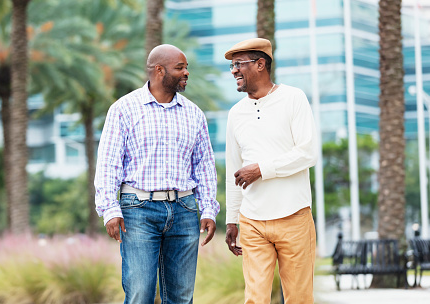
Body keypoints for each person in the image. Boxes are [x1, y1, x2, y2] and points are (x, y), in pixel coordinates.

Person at [94, 44, 219, 304]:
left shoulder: (194, 114)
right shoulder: (124, 109)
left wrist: (208, 209)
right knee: (140, 294)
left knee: (182, 297)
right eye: (180, 68)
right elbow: (108, 163)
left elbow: (205, 165)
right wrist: (110, 209)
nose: (186, 73)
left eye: (186, 68)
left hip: (184, 210)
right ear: (159, 70)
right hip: (138, 211)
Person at [223, 38, 318, 304]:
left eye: (239, 64)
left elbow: (307, 152)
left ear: (260, 64)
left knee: (299, 299)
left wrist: (262, 169)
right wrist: (232, 219)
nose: (233, 71)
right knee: (254, 299)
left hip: (294, 216)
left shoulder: (293, 98)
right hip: (252, 220)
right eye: (232, 65)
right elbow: (234, 169)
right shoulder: (235, 114)